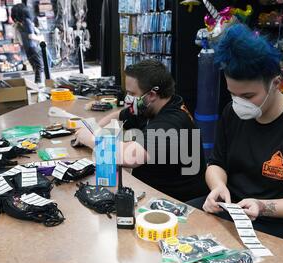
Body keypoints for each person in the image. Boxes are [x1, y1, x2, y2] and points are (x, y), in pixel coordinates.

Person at [188, 24, 283, 244]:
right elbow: (216, 163)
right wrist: (218, 186)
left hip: (278, 223)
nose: (239, 103)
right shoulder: (232, 113)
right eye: (233, 94)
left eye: (248, 96)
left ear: (276, 83)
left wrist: (262, 206)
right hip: (229, 209)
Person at [74, 59, 209, 202]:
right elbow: (119, 115)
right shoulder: (154, 105)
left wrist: (89, 139)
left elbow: (129, 157)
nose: (128, 98)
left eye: (132, 93)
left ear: (151, 95)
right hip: (153, 191)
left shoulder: (170, 122)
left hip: (176, 202)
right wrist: (95, 129)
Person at [11, 3, 44, 83]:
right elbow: (31, 36)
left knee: (35, 66)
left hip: (27, 48)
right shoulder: (27, 21)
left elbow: (17, 39)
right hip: (33, 47)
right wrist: (41, 38)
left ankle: (37, 84)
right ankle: (39, 84)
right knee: (39, 66)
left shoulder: (18, 24)